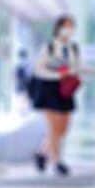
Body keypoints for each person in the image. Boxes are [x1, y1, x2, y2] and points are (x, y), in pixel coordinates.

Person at [31, 15, 82, 177]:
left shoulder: (74, 48)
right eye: (65, 26)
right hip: (49, 89)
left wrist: (75, 72)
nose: (68, 29)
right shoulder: (49, 47)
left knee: (63, 129)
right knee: (53, 128)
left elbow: (75, 67)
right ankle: (57, 162)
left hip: (65, 90)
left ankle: (41, 153)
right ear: (58, 28)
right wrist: (57, 74)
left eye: (71, 26)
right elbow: (38, 69)